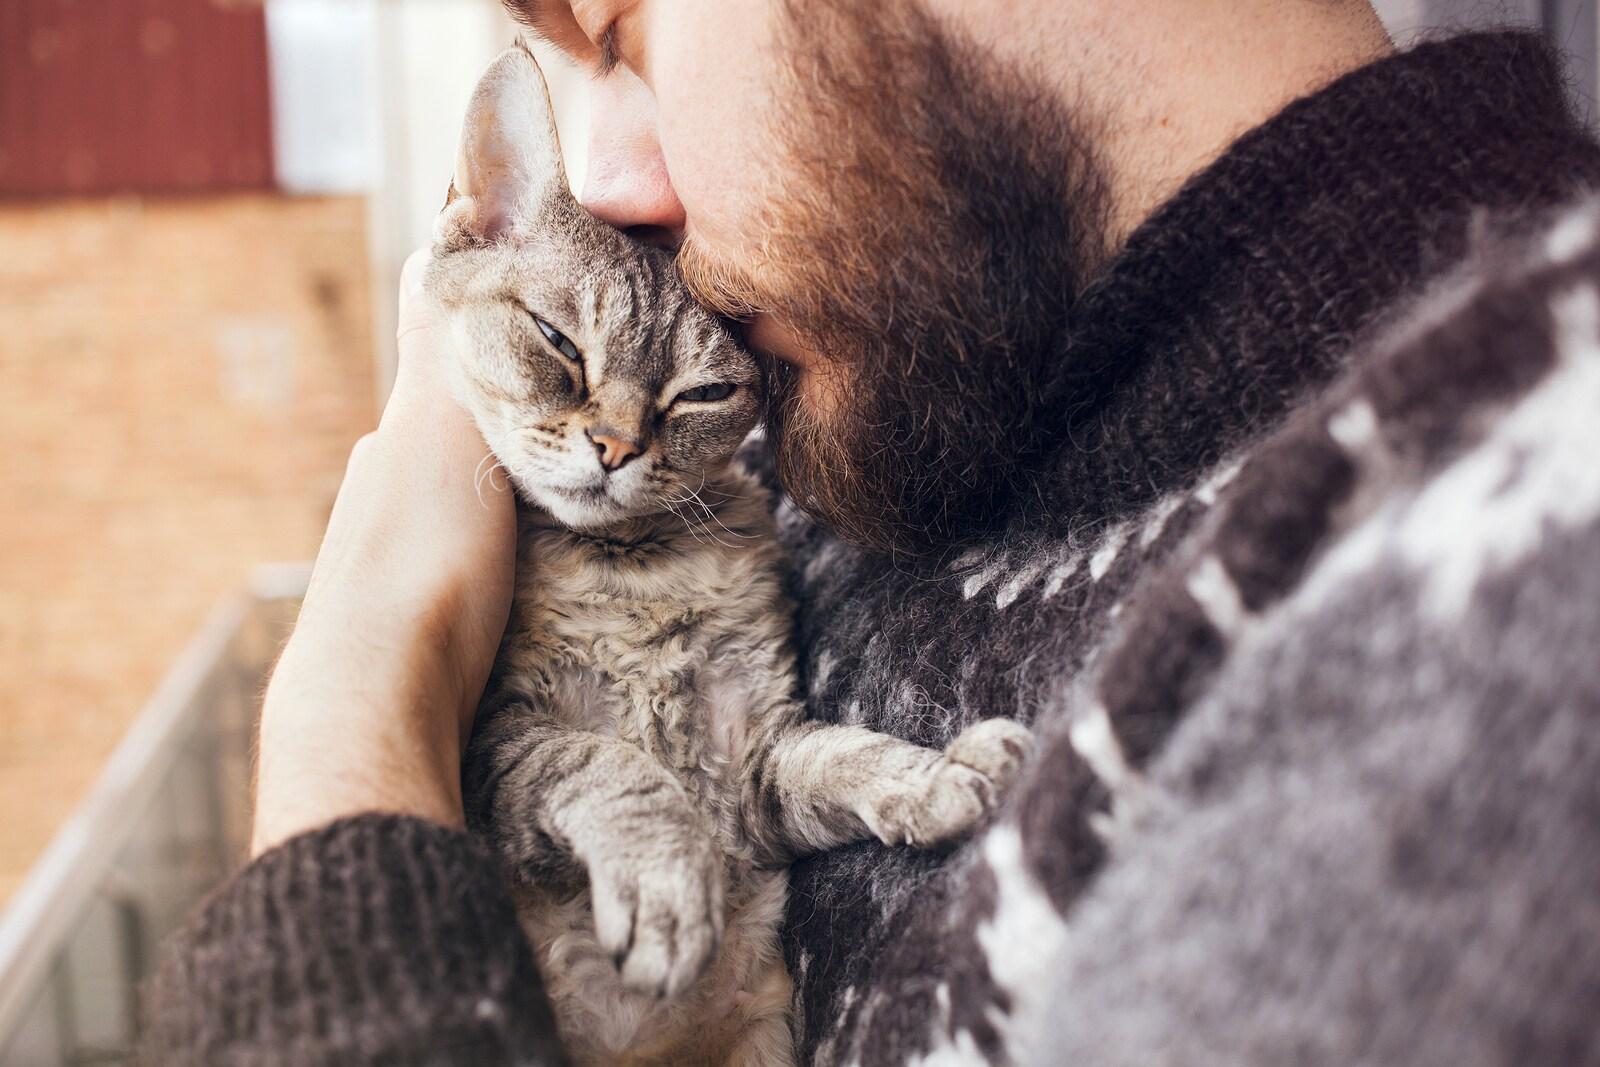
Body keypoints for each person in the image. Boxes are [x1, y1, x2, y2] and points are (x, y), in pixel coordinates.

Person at [143, 1, 1600, 1064]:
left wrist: (350, 718)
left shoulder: (1504, 621)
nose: (607, 188)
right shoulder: (886, 391)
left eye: (621, 33)